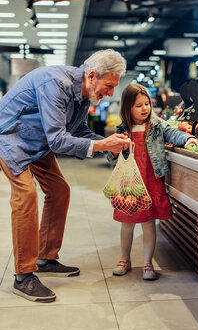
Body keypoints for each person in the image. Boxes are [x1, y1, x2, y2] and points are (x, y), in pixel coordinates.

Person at [0, 49, 131, 303]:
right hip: (11, 138)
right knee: (26, 196)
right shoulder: (55, 84)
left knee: (60, 190)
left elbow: (78, 130)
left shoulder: (83, 95)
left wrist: (109, 145)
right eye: (110, 85)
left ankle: (46, 257)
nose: (111, 93)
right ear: (92, 75)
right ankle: (23, 276)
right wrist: (104, 145)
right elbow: (58, 140)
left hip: (38, 142)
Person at [108, 84, 198, 280]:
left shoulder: (157, 124)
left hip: (151, 179)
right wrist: (113, 151)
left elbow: (173, 134)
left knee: (149, 223)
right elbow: (112, 157)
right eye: (138, 105)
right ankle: (125, 258)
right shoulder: (123, 129)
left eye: (147, 104)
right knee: (127, 222)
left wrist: (187, 138)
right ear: (127, 108)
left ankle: (147, 262)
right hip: (129, 181)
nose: (145, 108)